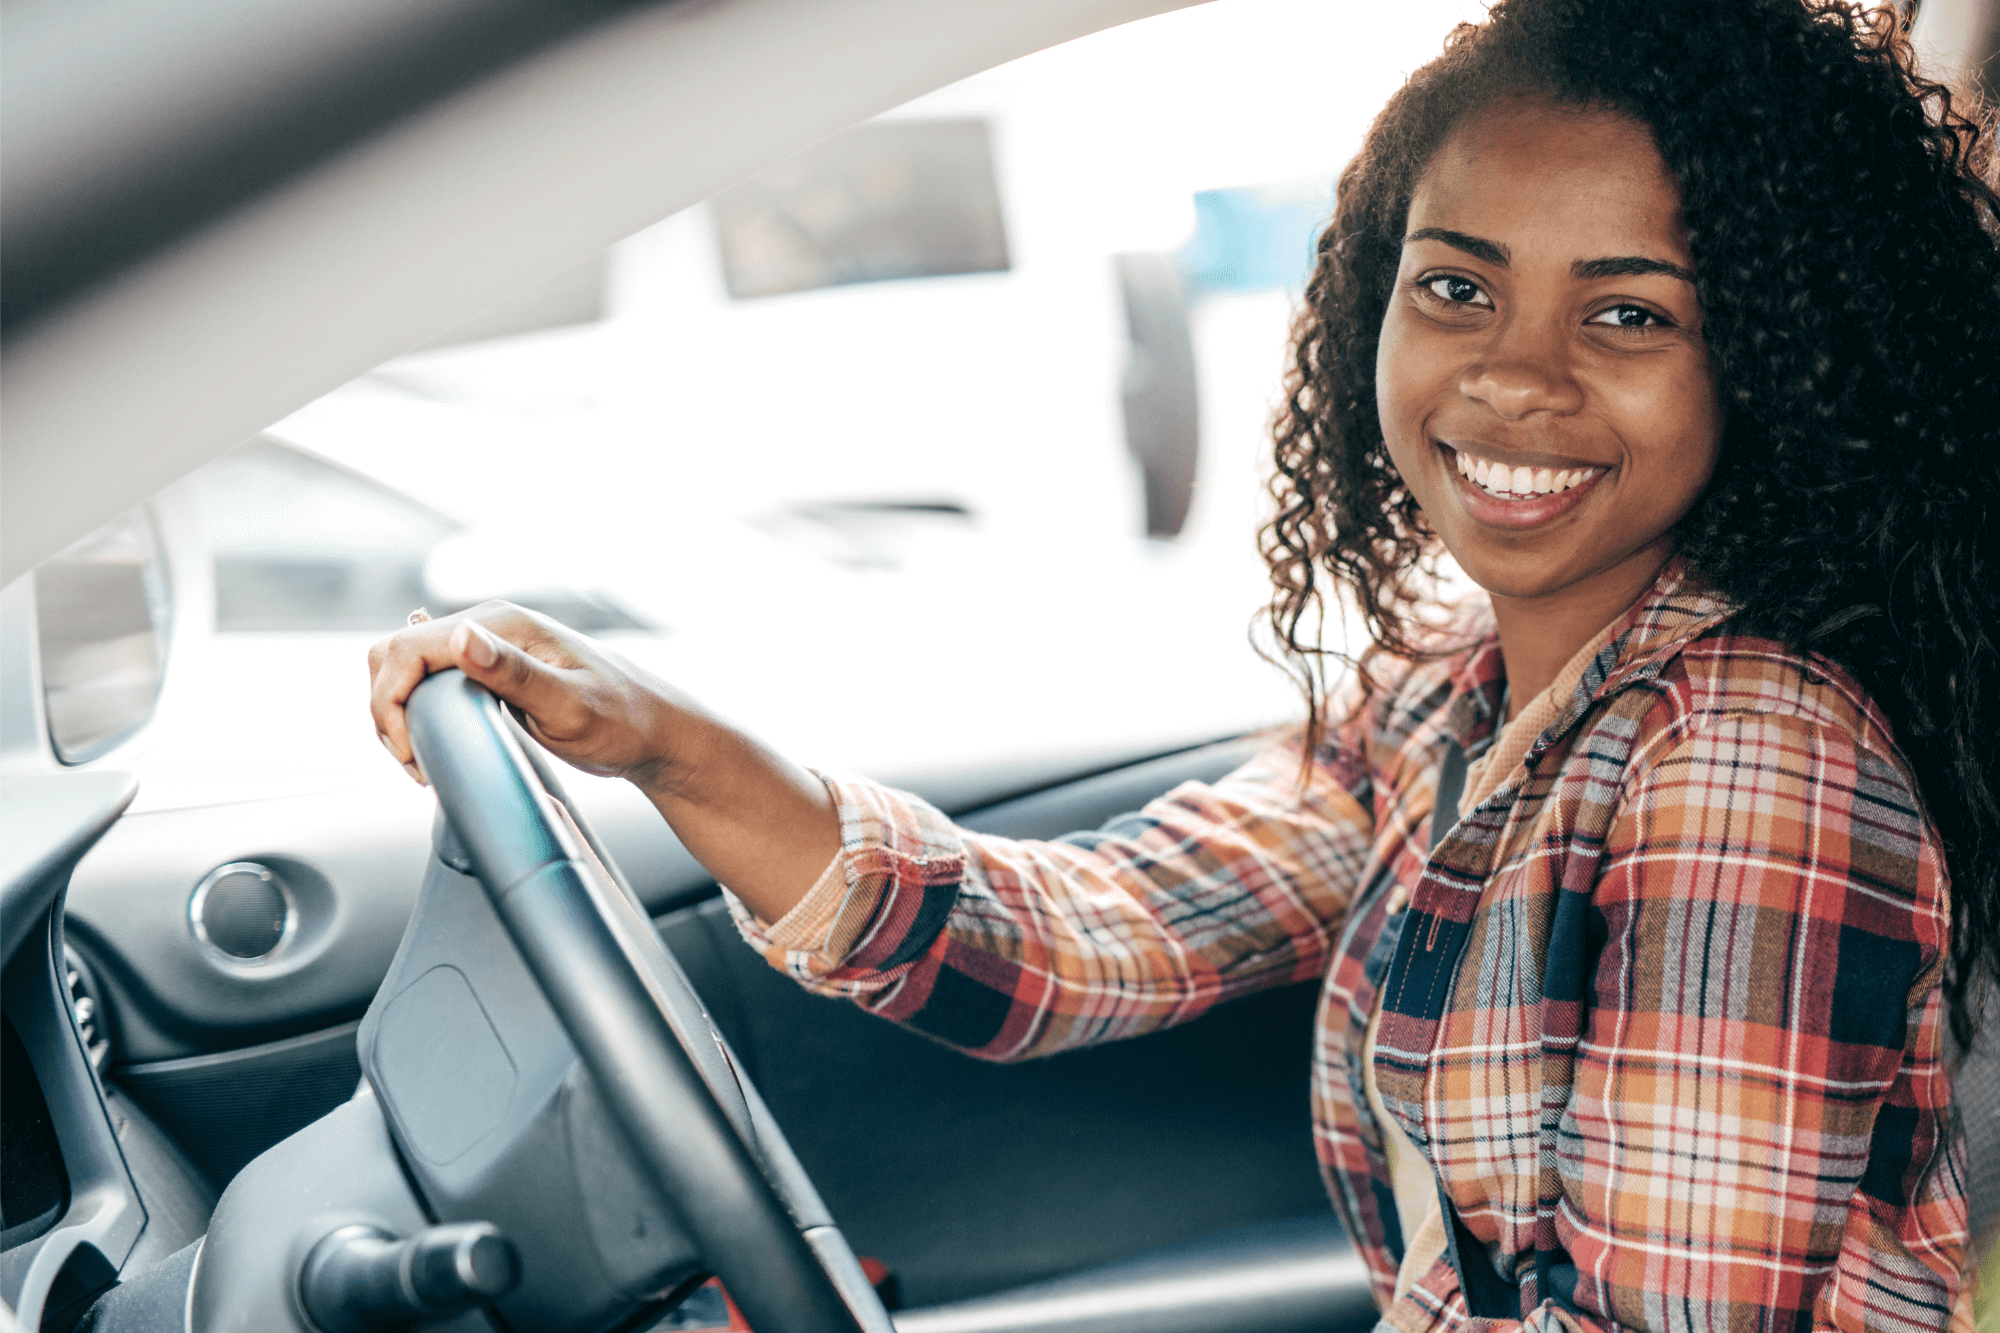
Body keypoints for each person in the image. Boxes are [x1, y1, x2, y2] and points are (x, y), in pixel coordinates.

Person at [369, 0, 2000, 1322]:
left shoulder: (1744, 763)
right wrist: (657, 737)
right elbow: (1079, 942)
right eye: (1457, 288)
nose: (1514, 379)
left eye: (1629, 316)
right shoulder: (1457, 696)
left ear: (1779, 363)